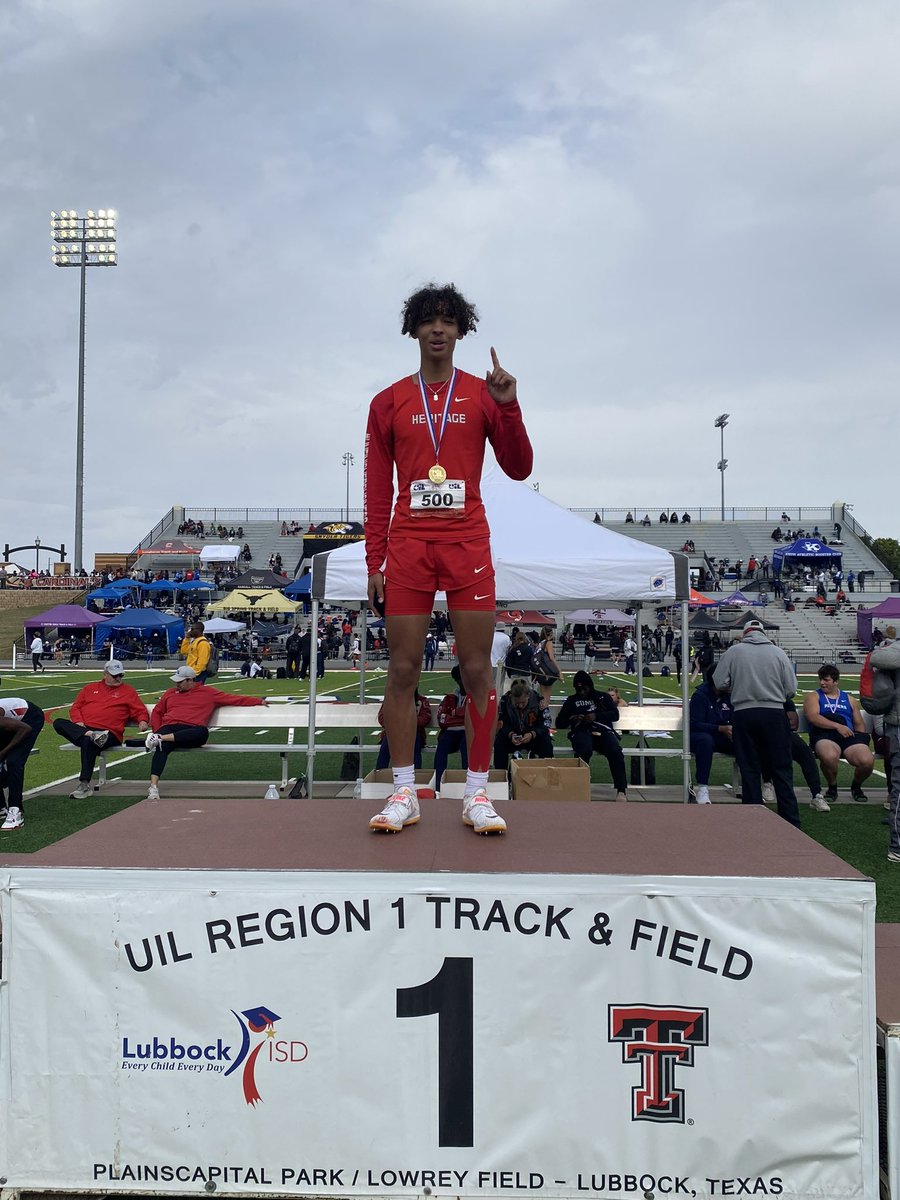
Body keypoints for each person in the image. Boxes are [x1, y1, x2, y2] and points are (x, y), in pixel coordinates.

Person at [362, 283, 533, 835]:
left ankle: (478, 794)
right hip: (409, 546)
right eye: (428, 320)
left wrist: (508, 407)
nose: (438, 329)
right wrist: (375, 561)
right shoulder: (387, 402)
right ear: (413, 330)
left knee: (479, 670)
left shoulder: (484, 394)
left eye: (449, 320)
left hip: (467, 546)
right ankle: (405, 791)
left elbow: (519, 467)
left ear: (462, 331)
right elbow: (375, 488)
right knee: (403, 669)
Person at [712, 619, 800, 825]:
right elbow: (791, 689)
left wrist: (737, 685)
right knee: (781, 767)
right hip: (774, 713)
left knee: (749, 766)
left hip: (744, 712)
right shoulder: (778, 653)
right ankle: (790, 818)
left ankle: (752, 817)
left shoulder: (734, 652)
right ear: (764, 634)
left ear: (745, 634)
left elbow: (719, 681)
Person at [143, 666, 268, 801]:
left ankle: (159, 738)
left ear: (190, 680)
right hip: (169, 727)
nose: (176, 684)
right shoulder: (170, 692)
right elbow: (157, 712)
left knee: (202, 733)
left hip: (191, 730)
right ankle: (153, 787)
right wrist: (157, 730)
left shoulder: (208, 693)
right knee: (162, 747)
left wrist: (258, 701)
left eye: (180, 682)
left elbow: (234, 699)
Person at [53, 661, 150, 798]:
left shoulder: (128, 691)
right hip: (87, 729)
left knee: (87, 741)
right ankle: (91, 735)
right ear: (105, 674)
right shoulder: (89, 688)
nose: (118, 678)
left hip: (110, 733)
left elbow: (139, 710)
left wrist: (143, 720)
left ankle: (84, 784)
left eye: (121, 675)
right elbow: (76, 707)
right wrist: (79, 721)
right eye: (115, 675)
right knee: (58, 723)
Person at [803, 664, 875, 804]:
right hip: (824, 735)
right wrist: (837, 726)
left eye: (826, 680)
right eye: (820, 679)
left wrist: (861, 739)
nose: (822, 683)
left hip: (848, 735)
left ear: (835, 681)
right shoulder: (814, 696)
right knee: (829, 756)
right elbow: (813, 717)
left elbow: (859, 723)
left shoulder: (849, 699)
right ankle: (832, 786)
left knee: (867, 761)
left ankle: (856, 786)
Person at [556, 672, 628, 801]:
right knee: (583, 750)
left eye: (584, 688)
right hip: (582, 731)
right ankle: (578, 788)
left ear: (590, 686)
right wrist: (572, 719)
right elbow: (559, 722)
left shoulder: (602, 697)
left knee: (615, 750)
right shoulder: (572, 700)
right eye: (578, 689)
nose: (582, 692)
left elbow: (615, 715)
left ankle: (621, 790)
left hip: (603, 732)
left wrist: (596, 716)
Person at [0, 692, 45, 831]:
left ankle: (15, 811)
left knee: (14, 761)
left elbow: (25, 729)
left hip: (30, 719)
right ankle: (1, 807)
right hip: (12, 722)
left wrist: (3, 753)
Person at [492, 678, 554, 771]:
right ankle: (501, 774)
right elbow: (502, 723)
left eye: (523, 702)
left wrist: (533, 733)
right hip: (513, 737)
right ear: (512, 697)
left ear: (528, 696)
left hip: (532, 736)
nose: (520, 705)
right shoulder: (505, 701)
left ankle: (546, 772)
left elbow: (546, 722)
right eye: (517, 703)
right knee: (499, 743)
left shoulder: (538, 700)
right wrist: (511, 734)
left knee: (546, 742)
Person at [376, 690, 431, 769]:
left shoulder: (422, 700)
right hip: (394, 732)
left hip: (414, 732)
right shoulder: (390, 699)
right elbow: (382, 718)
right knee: (386, 745)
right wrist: (398, 724)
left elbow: (425, 719)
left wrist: (407, 722)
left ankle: (416, 775)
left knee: (415, 746)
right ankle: (379, 775)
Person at [434, 665, 469, 789]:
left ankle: (469, 784)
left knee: (467, 742)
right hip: (450, 734)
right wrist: (462, 717)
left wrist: (454, 714)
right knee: (443, 742)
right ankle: (437, 784)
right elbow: (442, 720)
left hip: (467, 733)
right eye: (460, 679)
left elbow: (473, 716)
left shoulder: (474, 697)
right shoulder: (449, 698)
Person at [532, 629, 562, 707]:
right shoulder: (548, 643)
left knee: (543, 697)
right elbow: (552, 658)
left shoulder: (539, 644)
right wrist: (559, 671)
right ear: (551, 634)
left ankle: (541, 713)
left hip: (540, 673)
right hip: (547, 672)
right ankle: (545, 715)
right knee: (546, 698)